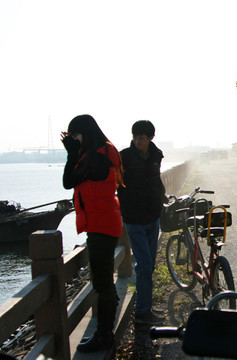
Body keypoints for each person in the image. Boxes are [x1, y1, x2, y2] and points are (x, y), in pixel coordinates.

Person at [61, 114, 123, 352]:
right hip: (103, 222)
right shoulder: (101, 151)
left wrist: (71, 154)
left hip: (102, 226)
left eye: (76, 136)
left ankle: (104, 335)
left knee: (102, 283)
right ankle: (105, 331)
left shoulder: (98, 156)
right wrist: (75, 151)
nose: (75, 141)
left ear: (85, 133)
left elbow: (68, 180)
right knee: (104, 281)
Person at [117, 120, 166, 326]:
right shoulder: (124, 157)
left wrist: (162, 197)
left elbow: (156, 180)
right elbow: (115, 182)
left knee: (150, 265)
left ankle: (145, 306)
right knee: (144, 265)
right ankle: (143, 312)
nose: (138, 141)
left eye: (142, 138)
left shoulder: (156, 155)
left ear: (150, 138)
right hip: (134, 219)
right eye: (135, 137)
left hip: (152, 218)